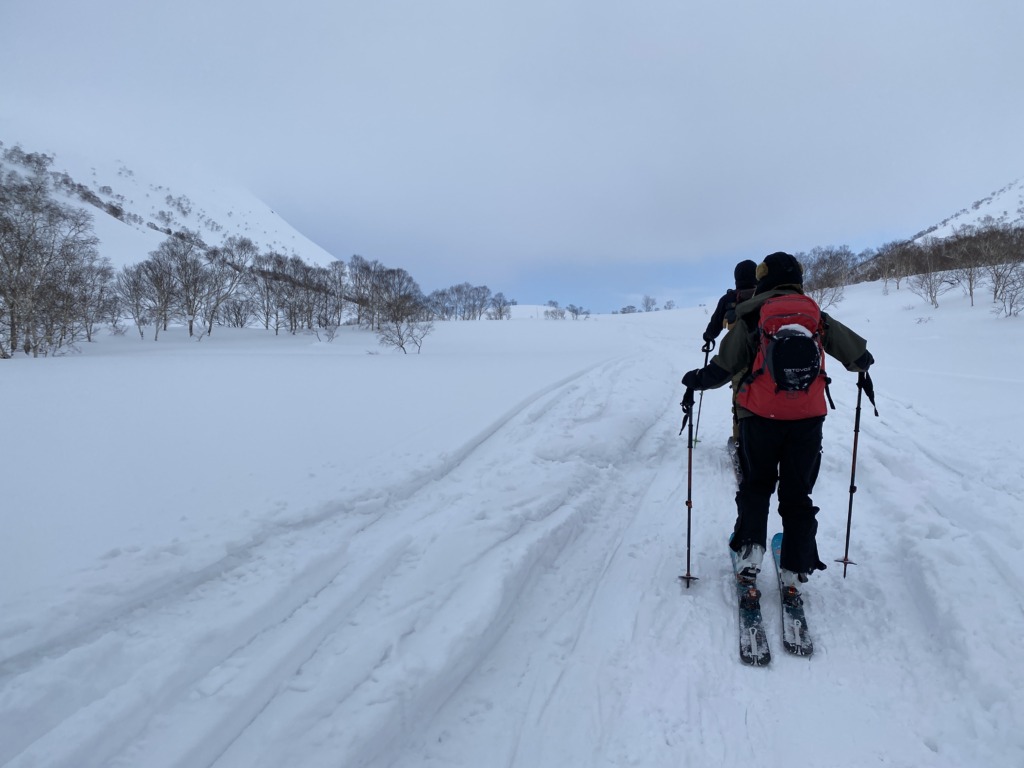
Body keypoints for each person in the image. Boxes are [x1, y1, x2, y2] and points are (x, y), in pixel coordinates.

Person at [681, 252, 874, 592]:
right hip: (808, 420)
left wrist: (694, 380)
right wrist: (861, 368)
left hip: (759, 418)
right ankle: (795, 568)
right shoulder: (815, 315)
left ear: (764, 278)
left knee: (757, 485)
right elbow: (860, 357)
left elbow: (722, 370)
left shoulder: (752, 316)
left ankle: (750, 553)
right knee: (798, 493)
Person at [701, 259, 758, 444]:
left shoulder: (728, 299)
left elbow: (715, 323)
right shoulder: (765, 295)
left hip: (737, 359)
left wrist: (708, 337)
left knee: (740, 400)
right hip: (766, 357)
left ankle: (740, 441)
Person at [702, 259, 758, 347]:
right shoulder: (763, 295)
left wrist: (708, 336)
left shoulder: (728, 299)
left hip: (737, 348)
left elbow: (715, 326)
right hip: (763, 348)